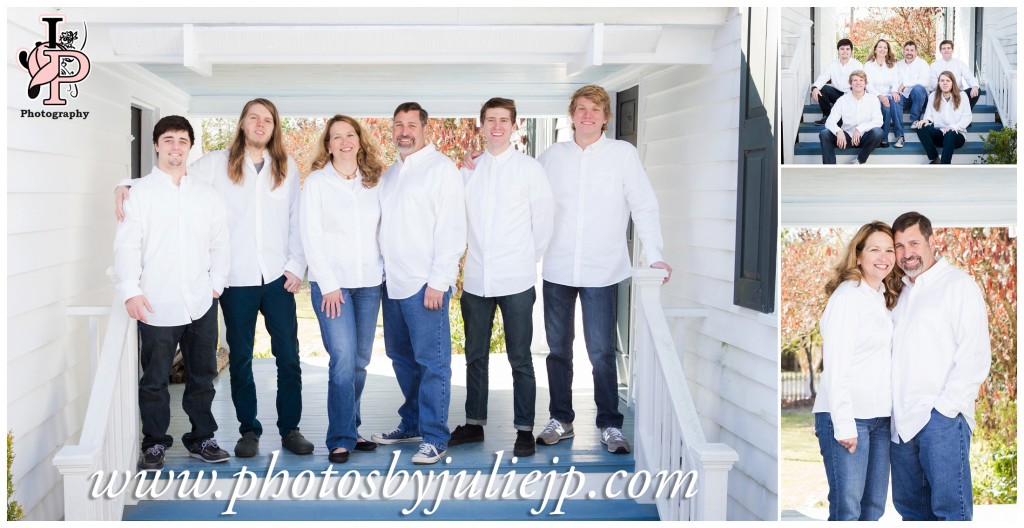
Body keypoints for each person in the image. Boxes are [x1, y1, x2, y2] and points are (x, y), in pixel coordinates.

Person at [116, 98, 312, 458]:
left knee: (289, 357)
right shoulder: (215, 163)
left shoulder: (286, 166)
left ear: (274, 126)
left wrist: (296, 266)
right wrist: (126, 185)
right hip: (236, 280)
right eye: (253, 117)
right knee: (241, 360)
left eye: (267, 119)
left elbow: (296, 219)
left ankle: (290, 429)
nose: (259, 123)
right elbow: (173, 175)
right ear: (242, 124)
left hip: (278, 278)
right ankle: (248, 431)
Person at [534, 85, 671, 455]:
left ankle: (610, 424)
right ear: (572, 115)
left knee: (601, 352)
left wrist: (654, 254)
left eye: (595, 110)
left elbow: (643, 205)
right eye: (581, 109)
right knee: (558, 350)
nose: (587, 115)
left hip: (602, 269)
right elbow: (525, 195)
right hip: (558, 267)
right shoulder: (551, 157)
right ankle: (560, 418)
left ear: (606, 117)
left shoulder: (622, 155)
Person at [114, 115, 231, 470]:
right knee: (154, 380)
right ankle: (154, 443)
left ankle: (202, 438)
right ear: (156, 145)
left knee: (202, 377)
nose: (175, 147)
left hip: (200, 302)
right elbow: (127, 247)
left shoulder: (206, 195)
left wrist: (216, 285)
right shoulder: (140, 193)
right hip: (155, 302)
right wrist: (130, 291)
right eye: (169, 140)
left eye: (182, 140)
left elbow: (220, 243)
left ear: (190, 146)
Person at [448, 98, 554, 458]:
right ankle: (474, 423)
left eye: (503, 120)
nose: (496, 126)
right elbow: (456, 220)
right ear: (480, 125)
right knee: (475, 356)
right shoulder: (468, 170)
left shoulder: (529, 170)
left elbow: (544, 224)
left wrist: (525, 259)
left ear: (514, 126)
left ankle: (524, 429)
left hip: (517, 280)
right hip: (477, 279)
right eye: (490, 120)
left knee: (520, 358)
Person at [372, 102, 467, 465]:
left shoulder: (441, 170)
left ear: (425, 128)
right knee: (401, 359)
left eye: (411, 124)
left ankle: (435, 436)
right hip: (392, 284)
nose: (404, 131)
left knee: (432, 364)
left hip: (425, 285)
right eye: (398, 124)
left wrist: (439, 282)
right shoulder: (391, 174)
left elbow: (452, 229)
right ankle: (411, 423)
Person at [889, 212, 990, 521]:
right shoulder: (900, 293)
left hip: (940, 421)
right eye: (899, 245)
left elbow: (974, 354)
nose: (907, 253)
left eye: (914, 242)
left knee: (951, 515)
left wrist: (944, 411)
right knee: (912, 514)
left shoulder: (958, 285)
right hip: (901, 427)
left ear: (931, 241)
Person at [300, 115, 385, 464]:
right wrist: (329, 284)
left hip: (369, 284)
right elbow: (310, 236)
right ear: (328, 145)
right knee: (343, 360)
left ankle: (352, 428)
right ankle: (339, 438)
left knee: (360, 362)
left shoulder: (375, 182)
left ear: (360, 140)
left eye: (350, 134)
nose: (345, 141)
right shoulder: (317, 183)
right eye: (337, 137)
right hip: (332, 287)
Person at [813, 221, 901, 521]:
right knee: (847, 512)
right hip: (849, 419)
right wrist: (845, 424)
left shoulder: (879, 298)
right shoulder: (848, 297)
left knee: (872, 510)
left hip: (879, 420)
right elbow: (835, 367)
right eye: (874, 248)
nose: (884, 256)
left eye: (889, 250)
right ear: (858, 255)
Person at [818, 70, 884, 164]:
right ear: (850, 83)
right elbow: (830, 122)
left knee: (878, 132)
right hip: (847, 137)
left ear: (865, 84)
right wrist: (838, 131)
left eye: (861, 80)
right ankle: (830, 169)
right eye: (855, 80)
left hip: (866, 137)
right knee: (824, 134)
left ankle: (860, 160)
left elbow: (878, 121)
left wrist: (860, 129)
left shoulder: (873, 99)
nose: (858, 83)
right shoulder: (842, 100)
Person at [912, 71, 972, 164]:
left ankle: (945, 166)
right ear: (938, 83)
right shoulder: (933, 96)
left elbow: (967, 118)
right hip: (940, 134)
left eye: (948, 80)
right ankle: (935, 158)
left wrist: (954, 127)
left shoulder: (962, 96)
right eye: (942, 80)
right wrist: (926, 120)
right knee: (920, 126)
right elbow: (929, 115)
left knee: (950, 133)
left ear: (953, 83)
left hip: (956, 135)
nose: (945, 83)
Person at [810, 38, 864, 125]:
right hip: (836, 94)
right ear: (838, 50)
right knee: (821, 89)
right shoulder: (832, 65)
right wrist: (815, 88)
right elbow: (823, 77)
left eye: (847, 49)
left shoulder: (857, 65)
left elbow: (861, 84)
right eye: (842, 49)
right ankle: (827, 115)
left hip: (851, 95)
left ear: (851, 51)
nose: (845, 51)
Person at [863, 39, 902, 148]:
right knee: (885, 105)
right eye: (880, 47)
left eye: (885, 47)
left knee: (887, 107)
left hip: (888, 95)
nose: (882, 49)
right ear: (875, 50)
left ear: (888, 50)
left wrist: (894, 91)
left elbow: (895, 81)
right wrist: (879, 96)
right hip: (873, 95)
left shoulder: (892, 65)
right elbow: (868, 85)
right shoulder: (868, 65)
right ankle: (880, 137)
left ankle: (884, 137)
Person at [895, 41, 931, 146]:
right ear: (903, 51)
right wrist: (896, 92)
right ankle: (899, 136)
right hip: (904, 97)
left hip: (919, 99)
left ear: (916, 52)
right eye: (907, 50)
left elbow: (925, 82)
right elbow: (894, 80)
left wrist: (906, 83)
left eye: (912, 50)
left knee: (918, 89)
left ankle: (915, 119)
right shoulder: (898, 64)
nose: (909, 52)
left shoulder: (922, 63)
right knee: (894, 100)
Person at [930, 40, 981, 109]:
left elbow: (970, 77)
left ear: (952, 50)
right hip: (942, 94)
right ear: (940, 51)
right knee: (933, 95)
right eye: (944, 48)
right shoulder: (934, 66)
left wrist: (975, 86)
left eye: (948, 48)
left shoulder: (960, 64)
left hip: (958, 94)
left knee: (977, 89)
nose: (946, 50)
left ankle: (965, 113)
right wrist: (947, 92)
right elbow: (934, 84)